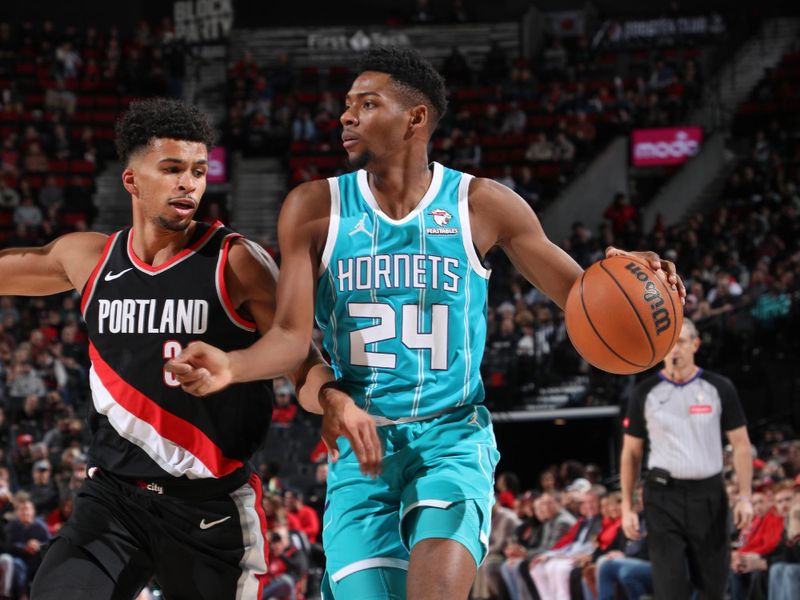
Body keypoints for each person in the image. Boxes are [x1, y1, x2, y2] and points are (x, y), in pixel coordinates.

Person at [169, 47, 684, 600]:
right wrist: (232, 364)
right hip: (359, 453)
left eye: (367, 104)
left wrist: (634, 276)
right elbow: (293, 341)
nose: (346, 116)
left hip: (451, 438)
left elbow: (584, 297)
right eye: (346, 105)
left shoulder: (484, 205)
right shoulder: (313, 207)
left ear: (416, 118)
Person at [0, 98, 331, 600]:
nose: (189, 183)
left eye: (198, 171)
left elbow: (299, 360)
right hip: (112, 501)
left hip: (211, 508)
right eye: (172, 169)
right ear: (132, 180)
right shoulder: (89, 258)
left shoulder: (236, 261)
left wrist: (335, 403)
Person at [620, 318, 754, 599]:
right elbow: (631, 452)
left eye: (680, 341)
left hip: (709, 495)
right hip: (662, 497)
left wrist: (745, 496)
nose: (674, 349)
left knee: (714, 588)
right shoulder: (644, 392)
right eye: (668, 343)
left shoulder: (720, 387)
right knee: (671, 588)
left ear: (695, 344)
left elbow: (741, 445)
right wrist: (627, 506)